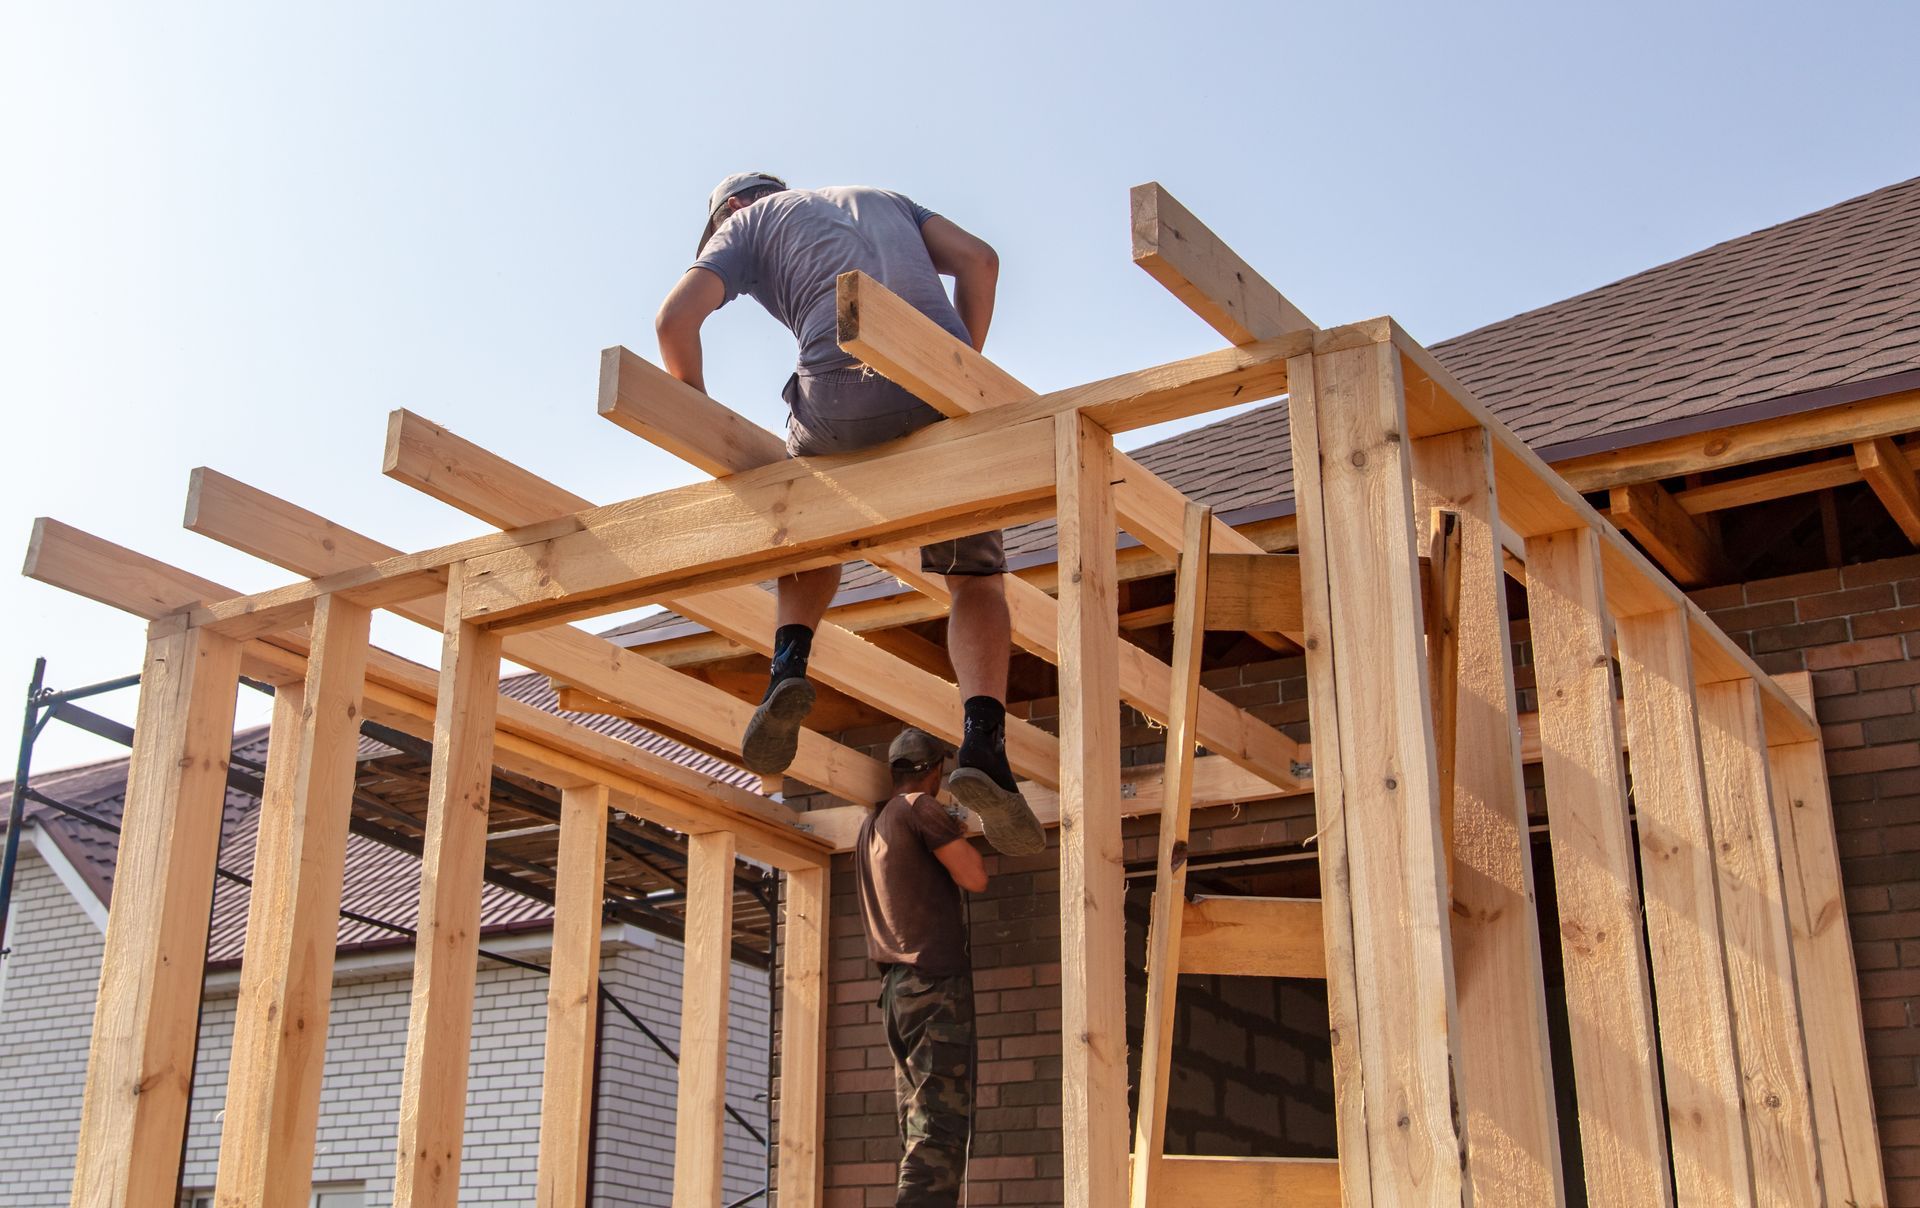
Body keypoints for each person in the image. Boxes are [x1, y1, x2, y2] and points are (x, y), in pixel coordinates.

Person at [655, 172, 1043, 857]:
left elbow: (673, 320)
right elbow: (982, 261)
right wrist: (956, 370)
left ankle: (789, 666)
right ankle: (984, 740)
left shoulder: (747, 223)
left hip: (842, 397)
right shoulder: (885, 197)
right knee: (977, 578)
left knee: (808, 512)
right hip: (944, 394)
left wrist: (698, 417)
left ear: (732, 208)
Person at [855, 727, 988, 1207]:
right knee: (940, 1124)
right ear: (935, 771)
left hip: (897, 993)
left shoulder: (870, 826)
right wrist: (958, 829)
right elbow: (974, 875)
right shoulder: (919, 807)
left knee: (918, 1121)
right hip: (932, 984)